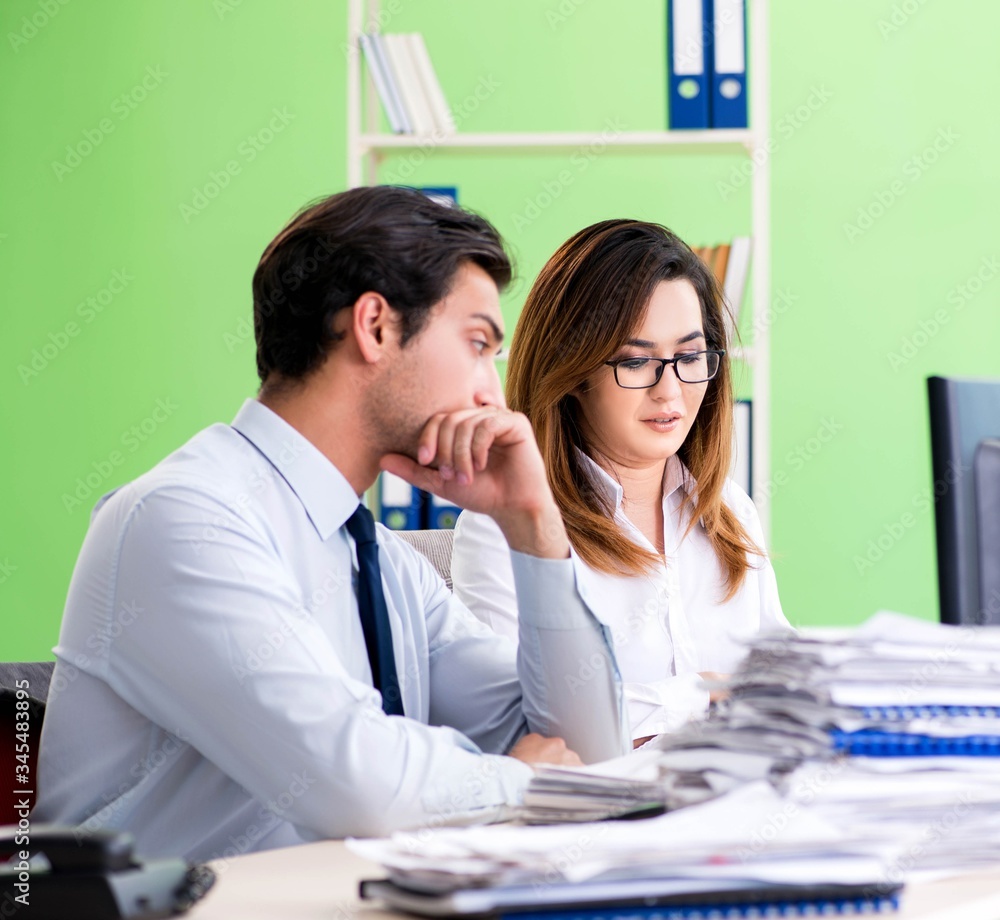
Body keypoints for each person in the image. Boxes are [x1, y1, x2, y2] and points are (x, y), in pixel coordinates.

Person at [33, 187, 626, 863]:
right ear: (374, 326)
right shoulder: (183, 520)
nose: (494, 394)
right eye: (477, 343)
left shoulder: (383, 563)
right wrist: (527, 786)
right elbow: (358, 786)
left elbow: (596, 752)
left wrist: (534, 523)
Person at [451, 219, 788, 746]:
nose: (670, 391)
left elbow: (783, 692)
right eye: (636, 361)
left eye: (690, 357)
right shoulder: (508, 529)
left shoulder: (729, 511)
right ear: (573, 372)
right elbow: (524, 731)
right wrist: (698, 696)